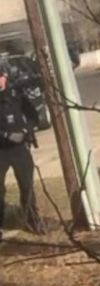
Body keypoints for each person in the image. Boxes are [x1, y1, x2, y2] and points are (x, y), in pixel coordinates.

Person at [0, 63, 43, 240]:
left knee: (27, 187)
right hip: (1, 151)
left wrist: (27, 132)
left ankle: (32, 220)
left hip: (20, 149)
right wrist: (6, 135)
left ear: (4, 77)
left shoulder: (16, 95)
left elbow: (33, 116)